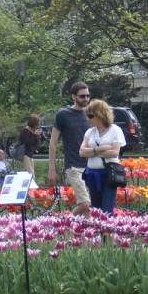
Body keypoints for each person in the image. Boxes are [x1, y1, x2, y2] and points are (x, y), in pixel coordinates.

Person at [48, 82, 92, 216]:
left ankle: (86, 234)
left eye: (87, 96)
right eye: (82, 96)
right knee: (84, 203)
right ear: (73, 97)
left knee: (88, 208)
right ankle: (64, 224)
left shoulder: (91, 114)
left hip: (91, 166)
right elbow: (53, 143)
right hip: (73, 166)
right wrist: (51, 169)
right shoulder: (63, 114)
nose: (86, 99)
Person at [78, 99, 126, 214]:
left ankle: (107, 230)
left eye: (90, 116)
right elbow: (81, 152)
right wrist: (99, 149)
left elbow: (114, 152)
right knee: (95, 209)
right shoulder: (90, 132)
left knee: (107, 209)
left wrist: (91, 153)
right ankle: (98, 231)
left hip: (108, 174)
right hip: (92, 174)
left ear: (100, 114)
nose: (88, 119)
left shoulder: (115, 130)